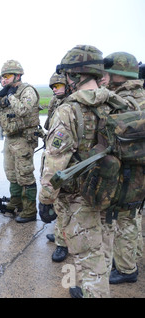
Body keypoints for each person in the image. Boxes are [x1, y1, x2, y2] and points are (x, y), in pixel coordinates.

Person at [39, 44, 120, 298]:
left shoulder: (68, 110)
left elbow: (55, 162)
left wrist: (45, 199)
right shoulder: (117, 103)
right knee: (103, 253)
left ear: (74, 76)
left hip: (80, 198)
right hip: (111, 193)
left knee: (89, 260)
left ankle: (93, 291)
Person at [98, 51, 144, 284]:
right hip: (139, 173)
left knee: (119, 219)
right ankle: (130, 260)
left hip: (125, 172)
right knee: (132, 217)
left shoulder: (121, 101)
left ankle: (126, 270)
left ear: (117, 74)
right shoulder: (141, 95)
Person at [0, 60, 40, 223]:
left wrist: (10, 97)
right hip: (10, 137)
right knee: (11, 172)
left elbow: (23, 110)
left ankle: (29, 210)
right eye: (2, 77)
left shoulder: (27, 91)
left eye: (7, 76)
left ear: (18, 75)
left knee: (25, 174)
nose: (4, 80)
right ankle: (16, 201)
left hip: (24, 138)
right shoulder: (7, 92)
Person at [43, 72, 70, 262]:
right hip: (53, 154)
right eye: (53, 87)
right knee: (59, 203)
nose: (55, 89)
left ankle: (63, 244)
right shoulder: (58, 103)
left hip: (65, 161)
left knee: (65, 204)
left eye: (58, 86)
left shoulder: (71, 107)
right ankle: (61, 234)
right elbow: (48, 126)